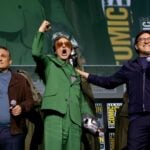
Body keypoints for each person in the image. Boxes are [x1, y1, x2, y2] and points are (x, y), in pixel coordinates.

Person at [76, 30, 150, 150]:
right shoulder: (129, 67)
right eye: (142, 39)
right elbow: (109, 82)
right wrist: (87, 76)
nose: (147, 41)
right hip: (138, 119)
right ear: (136, 46)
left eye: (149, 39)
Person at [32, 20, 94, 150]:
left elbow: (81, 99)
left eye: (67, 44)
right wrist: (41, 30)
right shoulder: (49, 63)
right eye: (60, 44)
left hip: (74, 120)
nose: (64, 46)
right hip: (55, 116)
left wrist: (89, 118)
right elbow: (36, 53)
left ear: (71, 49)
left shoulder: (76, 73)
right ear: (55, 50)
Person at [0, 46, 34, 150]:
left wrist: (21, 107)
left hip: (12, 131)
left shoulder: (19, 80)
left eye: (3, 56)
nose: (0, 59)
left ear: (10, 61)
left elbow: (30, 101)